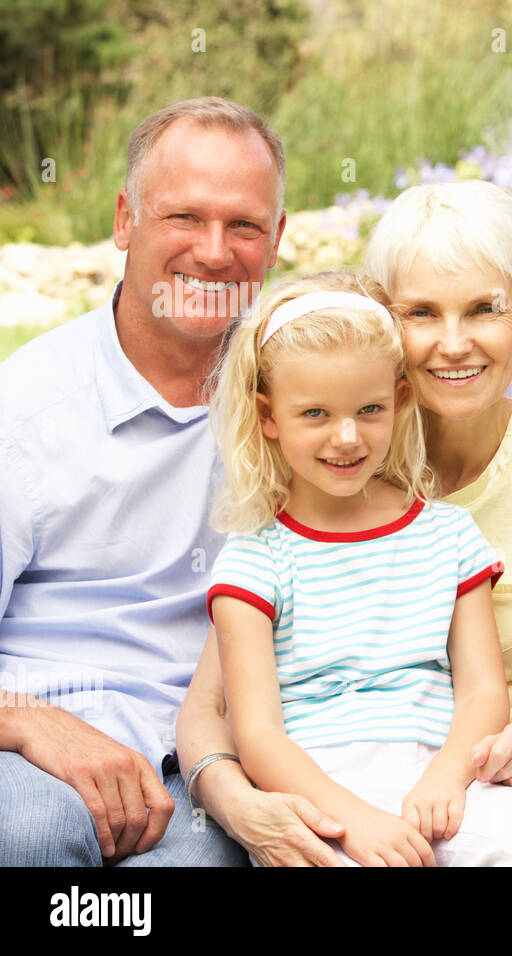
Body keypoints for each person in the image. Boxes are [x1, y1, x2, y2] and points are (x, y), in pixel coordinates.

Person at [177, 180, 512, 862]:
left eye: (483, 309)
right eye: (421, 313)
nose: (454, 344)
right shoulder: (317, 482)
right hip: (326, 786)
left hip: (475, 784)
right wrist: (239, 802)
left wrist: (499, 767)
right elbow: (219, 710)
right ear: (383, 325)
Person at [0, 97, 288, 866]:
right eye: (184, 218)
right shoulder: (25, 409)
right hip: (35, 744)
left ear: (279, 238)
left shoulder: (300, 395)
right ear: (126, 220)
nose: (215, 251)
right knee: (27, 834)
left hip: (206, 760)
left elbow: (465, 354)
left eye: (245, 226)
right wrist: (29, 723)